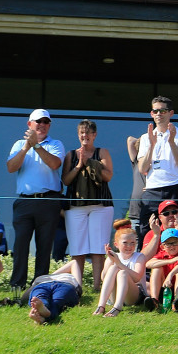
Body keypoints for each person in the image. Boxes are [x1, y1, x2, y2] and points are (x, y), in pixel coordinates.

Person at [6, 109, 64, 295]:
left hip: (48, 201)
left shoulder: (55, 144)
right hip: (24, 202)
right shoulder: (18, 144)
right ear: (29, 124)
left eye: (46, 122)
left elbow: (55, 164)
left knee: (44, 245)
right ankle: (17, 285)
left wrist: (37, 146)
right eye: (38, 121)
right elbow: (11, 167)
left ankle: (40, 285)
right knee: (20, 245)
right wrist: (26, 147)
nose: (42, 125)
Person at [61, 119, 114, 291]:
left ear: (94, 135)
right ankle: (78, 287)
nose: (85, 136)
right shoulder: (70, 154)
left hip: (101, 205)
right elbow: (66, 180)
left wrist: (90, 163)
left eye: (88, 133)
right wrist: (79, 165)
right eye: (81, 133)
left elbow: (108, 176)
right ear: (78, 135)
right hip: (75, 207)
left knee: (99, 247)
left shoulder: (102, 152)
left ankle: (98, 287)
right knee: (78, 248)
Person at [137, 96, 178, 244]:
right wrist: (152, 145)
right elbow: (142, 168)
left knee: (175, 232)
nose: (159, 114)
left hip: (175, 187)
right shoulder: (145, 137)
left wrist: (171, 141)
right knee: (146, 231)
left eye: (163, 110)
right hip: (152, 189)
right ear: (151, 114)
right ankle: (148, 266)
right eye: (156, 111)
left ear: (170, 113)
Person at [94, 220, 146, 317]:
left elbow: (137, 278)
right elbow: (104, 278)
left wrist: (118, 263)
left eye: (132, 243)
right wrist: (111, 261)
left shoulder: (139, 257)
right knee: (114, 268)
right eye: (125, 243)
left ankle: (118, 307)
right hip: (114, 295)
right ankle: (101, 306)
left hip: (134, 295)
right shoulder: (113, 256)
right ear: (116, 244)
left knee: (123, 273)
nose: (129, 246)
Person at [145, 228, 178, 311]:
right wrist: (171, 261)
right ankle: (154, 300)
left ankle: (176, 302)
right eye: (168, 244)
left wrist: (170, 276)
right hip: (164, 290)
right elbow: (148, 264)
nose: (172, 246)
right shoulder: (161, 254)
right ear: (162, 247)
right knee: (157, 268)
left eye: (175, 242)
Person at [28, 260, 83, 325]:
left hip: (61, 284)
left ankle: (43, 311)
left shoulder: (42, 277)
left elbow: (74, 262)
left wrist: (52, 275)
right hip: (49, 284)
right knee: (47, 299)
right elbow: (73, 262)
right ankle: (43, 312)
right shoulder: (69, 277)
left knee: (45, 297)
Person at [126, 136, 146, 235]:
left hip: (150, 210)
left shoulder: (156, 163)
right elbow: (130, 140)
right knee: (136, 244)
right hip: (136, 212)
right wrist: (147, 139)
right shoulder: (136, 162)